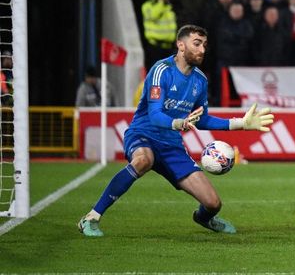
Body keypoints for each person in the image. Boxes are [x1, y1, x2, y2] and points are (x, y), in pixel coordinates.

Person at [78, 25, 274, 237]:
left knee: (213, 203)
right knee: (144, 160)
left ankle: (203, 218)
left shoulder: (200, 79)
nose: (202, 50)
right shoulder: (162, 70)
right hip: (143, 134)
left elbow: (202, 118)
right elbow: (154, 114)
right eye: (196, 44)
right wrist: (178, 123)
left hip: (171, 145)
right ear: (181, 45)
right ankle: (91, 217)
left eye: (205, 45)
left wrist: (240, 123)